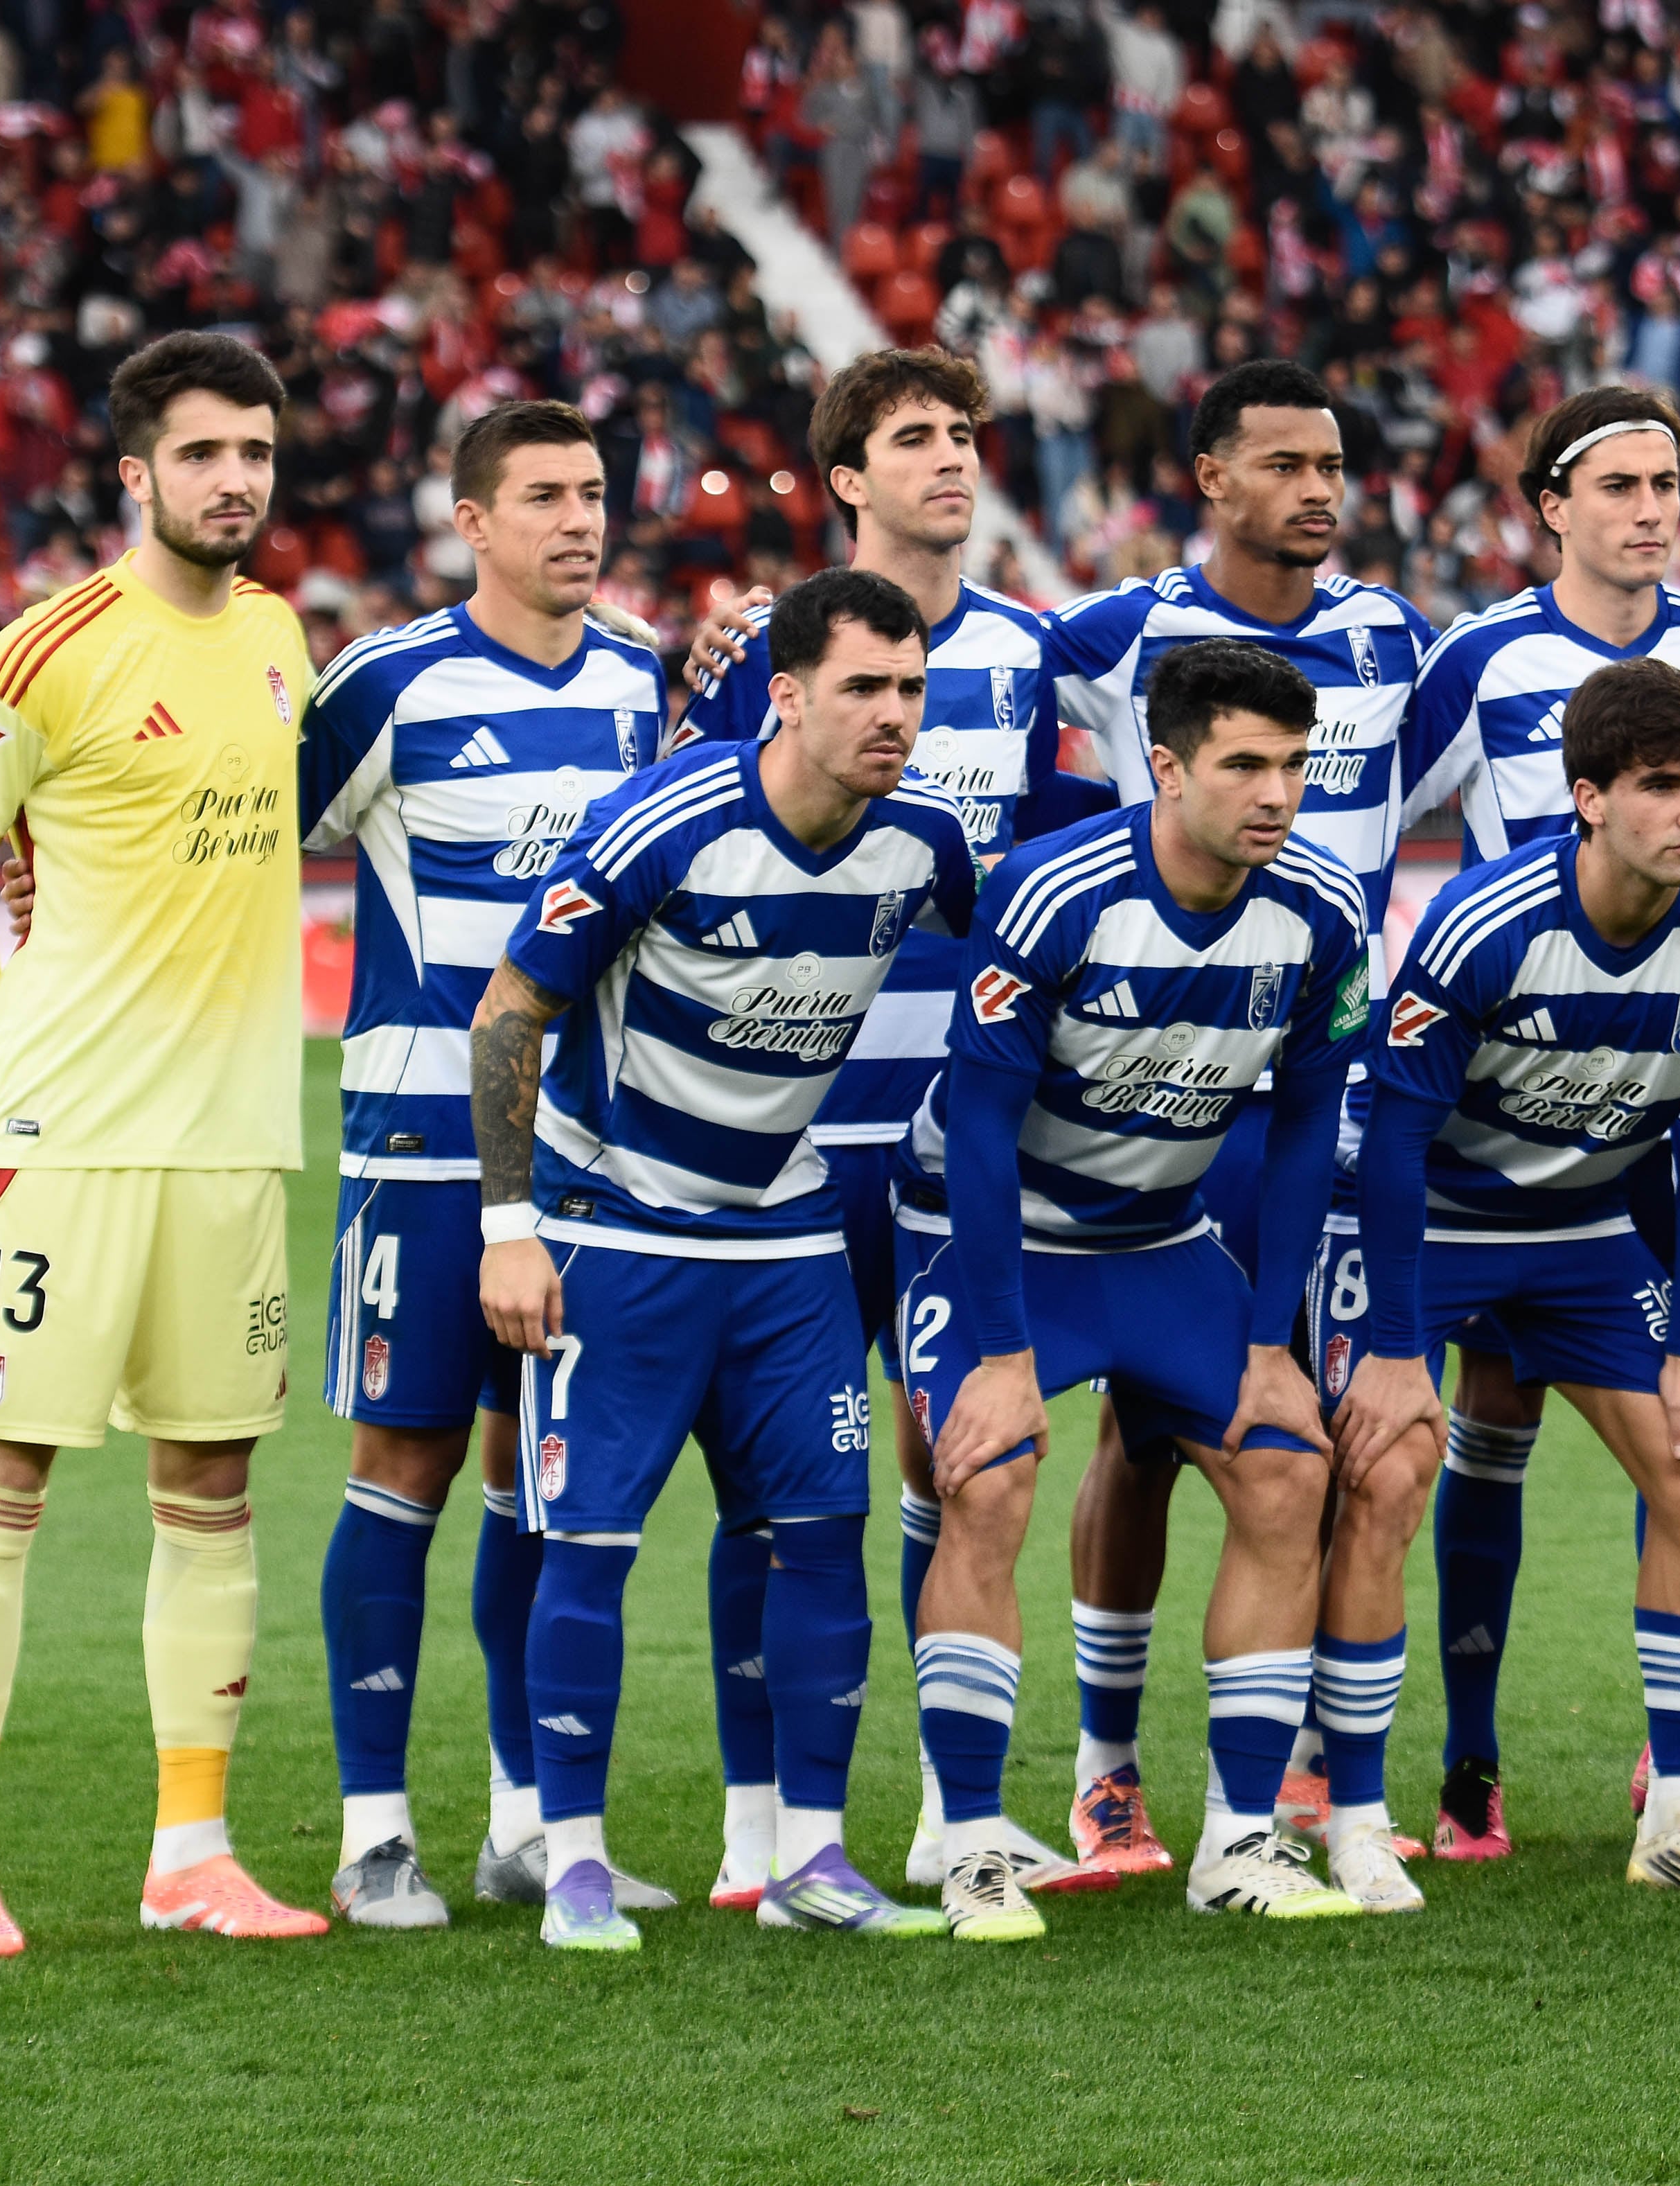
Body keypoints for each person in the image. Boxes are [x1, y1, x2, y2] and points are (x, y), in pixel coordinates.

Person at [0, 331, 324, 1958]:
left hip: (228, 1141)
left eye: (258, 455)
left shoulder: (281, 639)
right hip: (59, 1133)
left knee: (211, 1486)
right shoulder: (44, 649)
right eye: (205, 454)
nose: (237, 482)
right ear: (136, 473)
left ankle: (192, 1856)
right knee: (1, 1475)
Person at [466, 567, 975, 1952]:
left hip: (791, 1235)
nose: (894, 716)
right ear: (791, 695)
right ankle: (573, 1861)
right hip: (616, 1233)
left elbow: (1013, 951)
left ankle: (811, 1858)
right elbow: (511, 1012)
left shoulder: (924, 844)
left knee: (823, 1534)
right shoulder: (666, 824)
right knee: (591, 1542)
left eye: (913, 689)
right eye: (865, 687)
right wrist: (511, 1229)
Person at [679, 349, 1108, 1903]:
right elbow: (679, 846)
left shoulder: (1034, 651)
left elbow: (1073, 852)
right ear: (847, 479)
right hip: (786, 1128)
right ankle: (753, 1830)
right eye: (912, 437)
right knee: (774, 1485)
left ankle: (952, 1812)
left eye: (964, 435)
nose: (951, 458)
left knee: (961, 1458)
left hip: (956, 1132)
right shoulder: (769, 650)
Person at [1390, 382, 1680, 1858]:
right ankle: (1465, 1765)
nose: (1652, 510)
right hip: (1496, 1096)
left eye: (1670, 482)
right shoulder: (1483, 656)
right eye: (1622, 484)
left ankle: (1675, 1768)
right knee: (1480, 1428)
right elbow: (1371, 826)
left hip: (1649, 1098)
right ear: (1551, 505)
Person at [899, 639, 1368, 1937]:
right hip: (988, 1235)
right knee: (984, 1480)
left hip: (1161, 1245)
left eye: (1294, 766)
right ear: (1163, 768)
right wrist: (998, 1352)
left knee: (1288, 1470)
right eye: (1244, 766)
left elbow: (1300, 1131)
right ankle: (977, 1843)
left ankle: (1238, 1842)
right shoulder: (1058, 893)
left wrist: (1271, 1344)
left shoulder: (1321, 910)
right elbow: (980, 1132)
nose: (1277, 794)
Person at [1322, 658, 1680, 1905]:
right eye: (1660, 788)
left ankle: (1679, 1819)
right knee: (1386, 1470)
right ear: (1586, 797)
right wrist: (1385, 1349)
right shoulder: (1482, 927)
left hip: (1584, 1230)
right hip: (1429, 1216)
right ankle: (1357, 1817)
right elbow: (1399, 1140)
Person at [290, 399, 669, 1928]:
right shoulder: (386, 681)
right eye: (542, 497)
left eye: (591, 494)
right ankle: (374, 1829)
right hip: (418, 1145)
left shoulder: (644, 679)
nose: (578, 520)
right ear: (472, 520)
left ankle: (527, 1815)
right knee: (409, 1465)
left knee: (543, 1475)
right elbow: (255, 837)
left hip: (580, 1158)